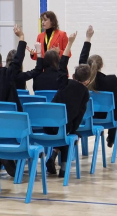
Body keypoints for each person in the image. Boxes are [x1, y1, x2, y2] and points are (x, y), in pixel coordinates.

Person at [45, 32, 90, 177]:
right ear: (87, 81)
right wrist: (74, 129)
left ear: (73, 76)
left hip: (48, 126)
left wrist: (69, 43)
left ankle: (53, 155)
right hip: (64, 127)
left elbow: (62, 65)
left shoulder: (64, 82)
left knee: (63, 126)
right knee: (68, 129)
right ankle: (63, 166)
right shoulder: (85, 93)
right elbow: (80, 114)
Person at [79, 25, 117, 147]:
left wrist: (88, 38)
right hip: (108, 117)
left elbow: (82, 60)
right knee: (116, 103)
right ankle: (111, 137)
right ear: (101, 66)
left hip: (88, 116)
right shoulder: (111, 80)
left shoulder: (84, 79)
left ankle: (110, 137)